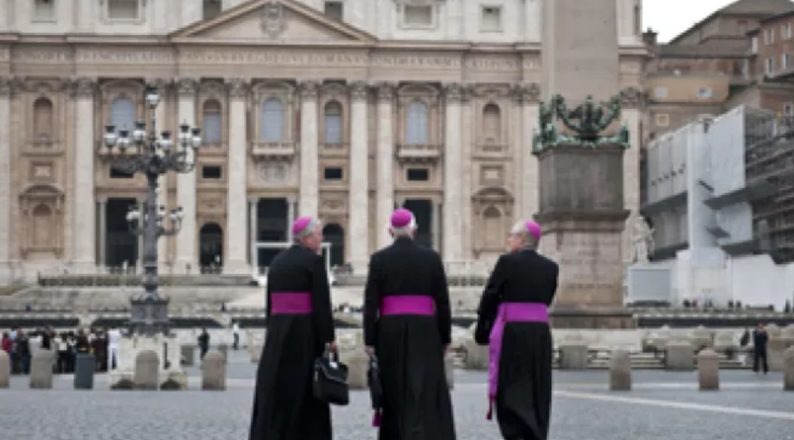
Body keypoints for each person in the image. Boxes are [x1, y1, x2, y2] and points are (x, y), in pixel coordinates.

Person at [363, 208, 456, 440]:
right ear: (414, 230)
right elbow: (442, 302)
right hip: (425, 330)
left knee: (395, 387)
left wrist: (369, 340)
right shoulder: (432, 258)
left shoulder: (379, 259)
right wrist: (445, 337)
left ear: (390, 231)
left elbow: (371, 303)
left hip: (389, 330)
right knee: (426, 387)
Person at [249, 216, 336, 440]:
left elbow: (270, 304)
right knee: (305, 389)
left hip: (278, 332)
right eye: (318, 234)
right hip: (304, 333)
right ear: (306, 238)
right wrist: (329, 337)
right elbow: (321, 304)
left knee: (278, 388)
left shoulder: (277, 261)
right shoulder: (315, 262)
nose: (321, 239)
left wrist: (272, 330)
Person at [474, 220, 558, 440]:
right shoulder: (551, 267)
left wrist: (483, 329)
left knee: (511, 385)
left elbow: (490, 295)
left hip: (513, 331)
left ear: (522, 239)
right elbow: (547, 299)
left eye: (511, 235)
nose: (508, 239)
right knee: (537, 384)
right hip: (540, 333)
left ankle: (516, 434)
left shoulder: (507, 262)